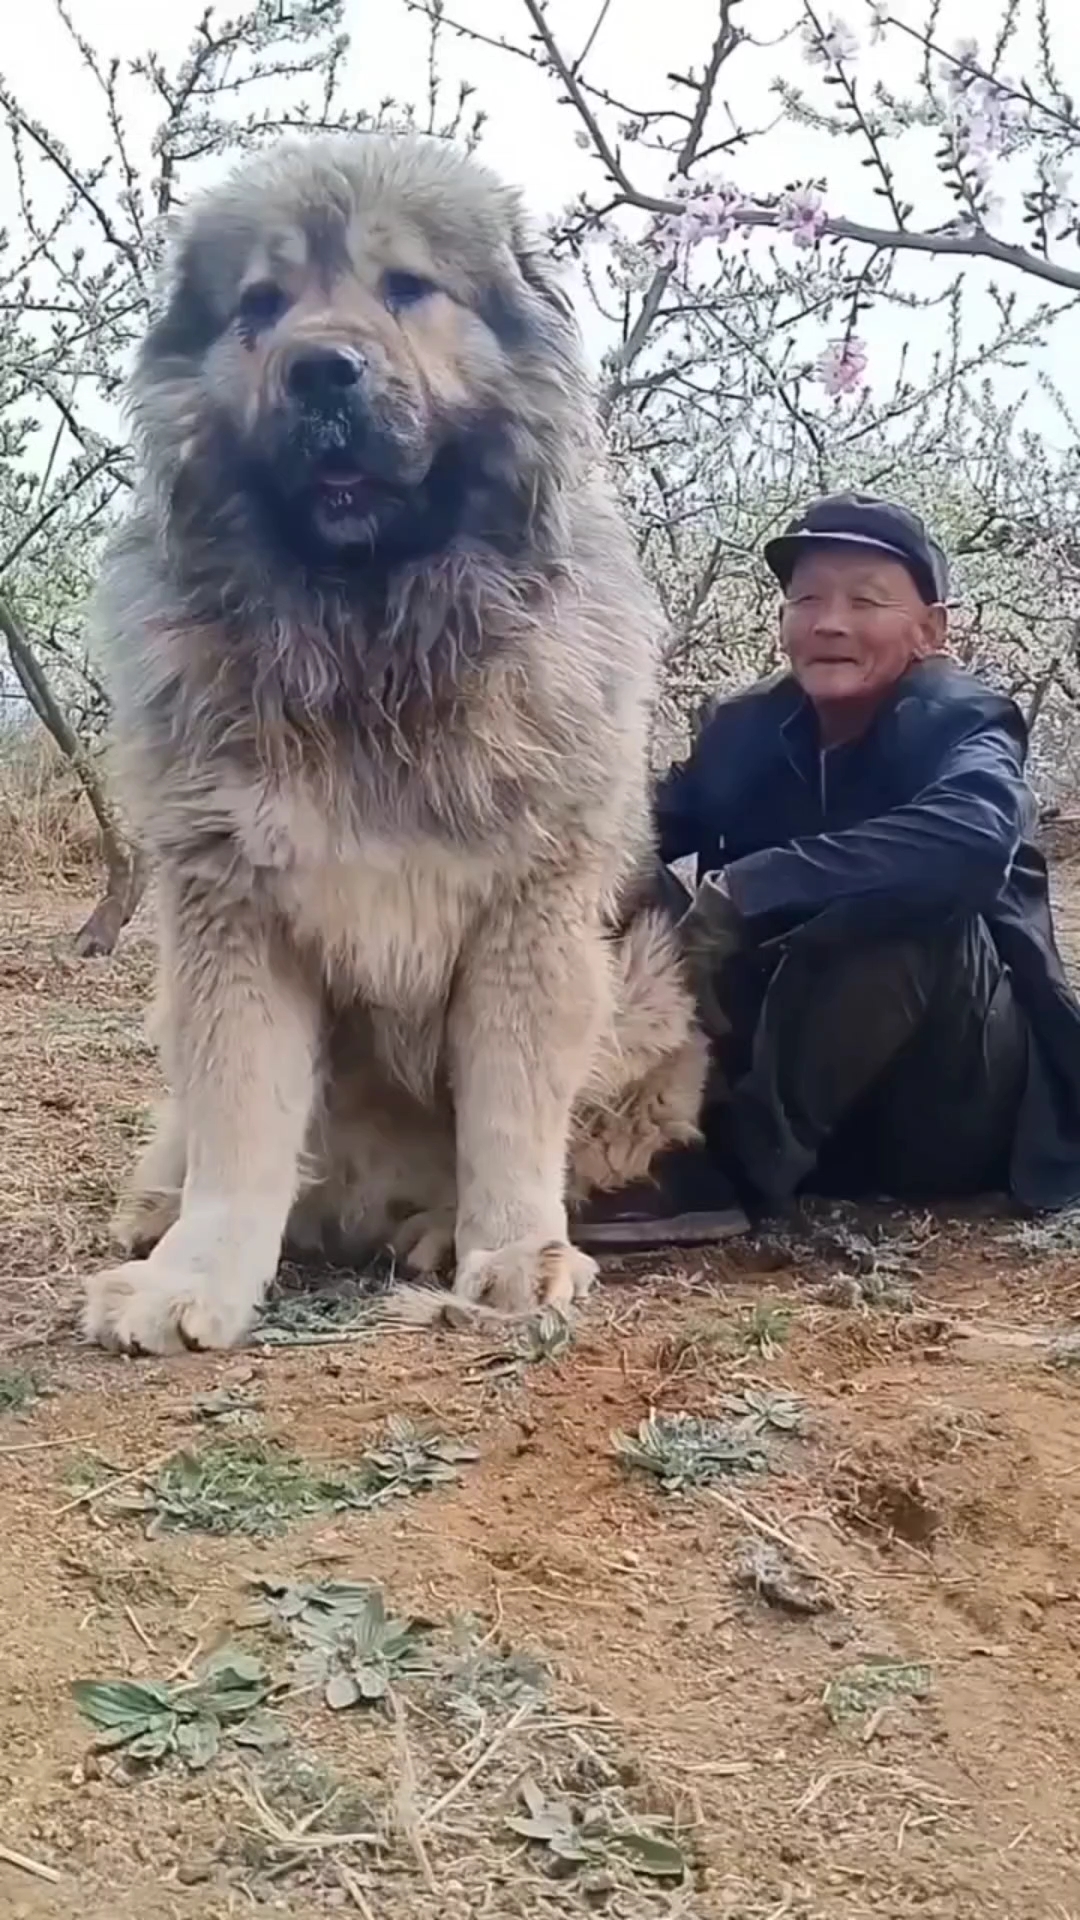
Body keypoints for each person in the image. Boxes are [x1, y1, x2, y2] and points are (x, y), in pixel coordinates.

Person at [575, 491, 1080, 1251]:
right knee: (637, 891)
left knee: (905, 906)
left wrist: (756, 885)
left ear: (931, 630)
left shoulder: (962, 718)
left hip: (953, 1103)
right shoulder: (744, 731)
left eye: (865, 600)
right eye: (807, 598)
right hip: (797, 1088)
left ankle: (730, 1174)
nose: (829, 622)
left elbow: (972, 839)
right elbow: (627, 838)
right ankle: (609, 1137)